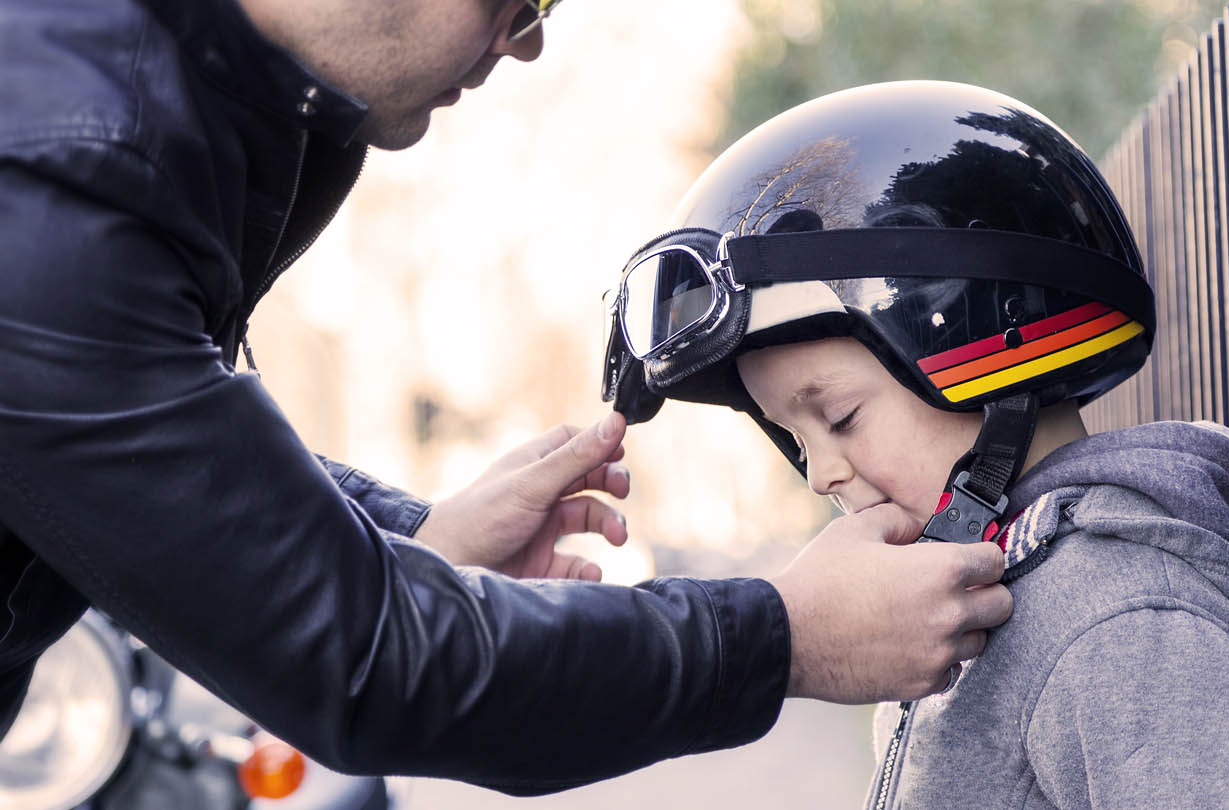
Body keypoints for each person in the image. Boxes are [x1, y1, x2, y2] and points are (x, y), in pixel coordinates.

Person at [0, 0, 1015, 794]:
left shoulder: (132, 101)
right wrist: (788, 637)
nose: (526, 41)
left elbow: (163, 456)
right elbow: (367, 663)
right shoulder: (56, 187)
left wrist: (409, 535)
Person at [602, 81, 1229, 808]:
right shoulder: (961, 601)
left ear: (991, 339)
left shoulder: (1121, 628)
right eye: (794, 436)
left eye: (842, 416)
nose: (821, 474)